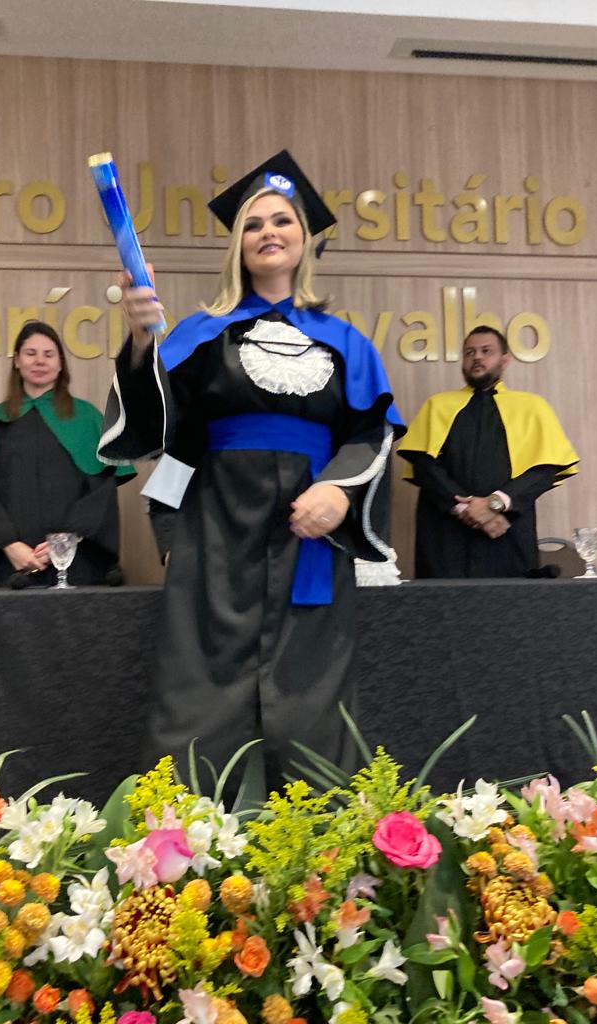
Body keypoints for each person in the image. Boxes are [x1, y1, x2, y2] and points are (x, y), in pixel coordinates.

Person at [97, 150, 405, 792]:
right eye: (255, 224)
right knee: (198, 692)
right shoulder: (199, 334)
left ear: (305, 238)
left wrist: (340, 492)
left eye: (282, 221)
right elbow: (162, 432)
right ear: (238, 244)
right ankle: (185, 842)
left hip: (309, 535)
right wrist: (142, 341)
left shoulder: (346, 341)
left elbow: (372, 432)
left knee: (313, 694)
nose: (269, 232)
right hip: (217, 532)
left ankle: (321, 840)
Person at [0, 321, 135, 587]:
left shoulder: (86, 418)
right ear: (17, 361)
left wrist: (66, 541)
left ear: (60, 364)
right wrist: (9, 545)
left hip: (77, 560)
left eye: (49, 354)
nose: (40, 361)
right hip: (13, 565)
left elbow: (102, 489)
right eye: (30, 353)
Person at [397, 325, 579, 579]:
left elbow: (545, 470)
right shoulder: (437, 405)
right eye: (470, 352)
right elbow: (423, 466)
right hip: (445, 536)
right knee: (441, 603)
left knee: (511, 602)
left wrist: (495, 504)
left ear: (505, 360)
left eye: (486, 351)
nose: (477, 357)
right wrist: (465, 509)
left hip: (506, 530)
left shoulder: (532, 407)